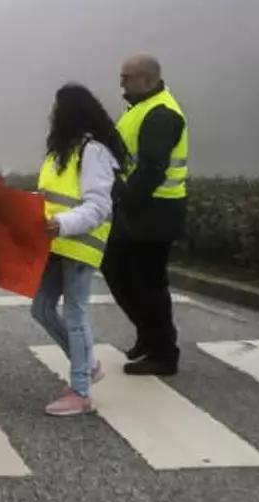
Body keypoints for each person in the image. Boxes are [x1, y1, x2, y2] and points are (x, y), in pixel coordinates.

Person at [31, 83, 128, 416]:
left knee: (75, 314)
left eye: (56, 108)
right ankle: (86, 364)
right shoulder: (61, 151)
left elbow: (99, 205)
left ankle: (81, 391)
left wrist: (62, 223)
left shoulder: (93, 152)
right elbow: (53, 197)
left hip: (78, 244)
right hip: (56, 243)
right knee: (41, 308)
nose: (51, 114)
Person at [100, 55, 187, 376]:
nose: (122, 83)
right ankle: (149, 336)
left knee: (148, 283)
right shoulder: (139, 109)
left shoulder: (160, 114)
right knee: (117, 270)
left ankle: (164, 353)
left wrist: (122, 199)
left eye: (128, 77)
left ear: (148, 79)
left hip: (154, 210)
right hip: (141, 209)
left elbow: (151, 169)